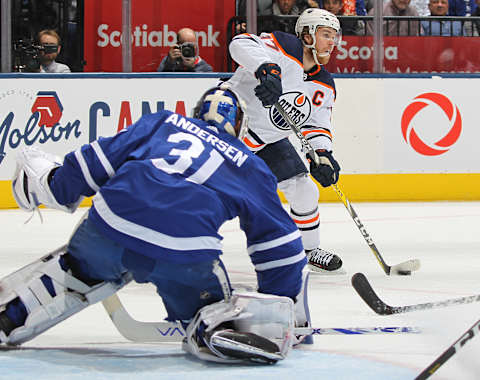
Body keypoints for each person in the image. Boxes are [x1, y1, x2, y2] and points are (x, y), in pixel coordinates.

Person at [1, 86, 311, 364]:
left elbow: (93, 163)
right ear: (239, 127)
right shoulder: (250, 164)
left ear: (196, 112)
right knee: (212, 313)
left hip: (109, 227)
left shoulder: (162, 122)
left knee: (76, 269)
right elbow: (279, 245)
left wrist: (54, 184)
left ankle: (12, 315)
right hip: (185, 253)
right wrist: (277, 303)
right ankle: (215, 327)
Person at [224, 8, 344, 273]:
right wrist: (266, 68)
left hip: (268, 140)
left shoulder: (324, 84)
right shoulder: (284, 45)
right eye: (325, 34)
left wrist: (323, 154)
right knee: (209, 188)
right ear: (307, 35)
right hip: (230, 126)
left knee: (305, 190)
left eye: (334, 36)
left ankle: (310, 250)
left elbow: (316, 125)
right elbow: (240, 42)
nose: (331, 42)